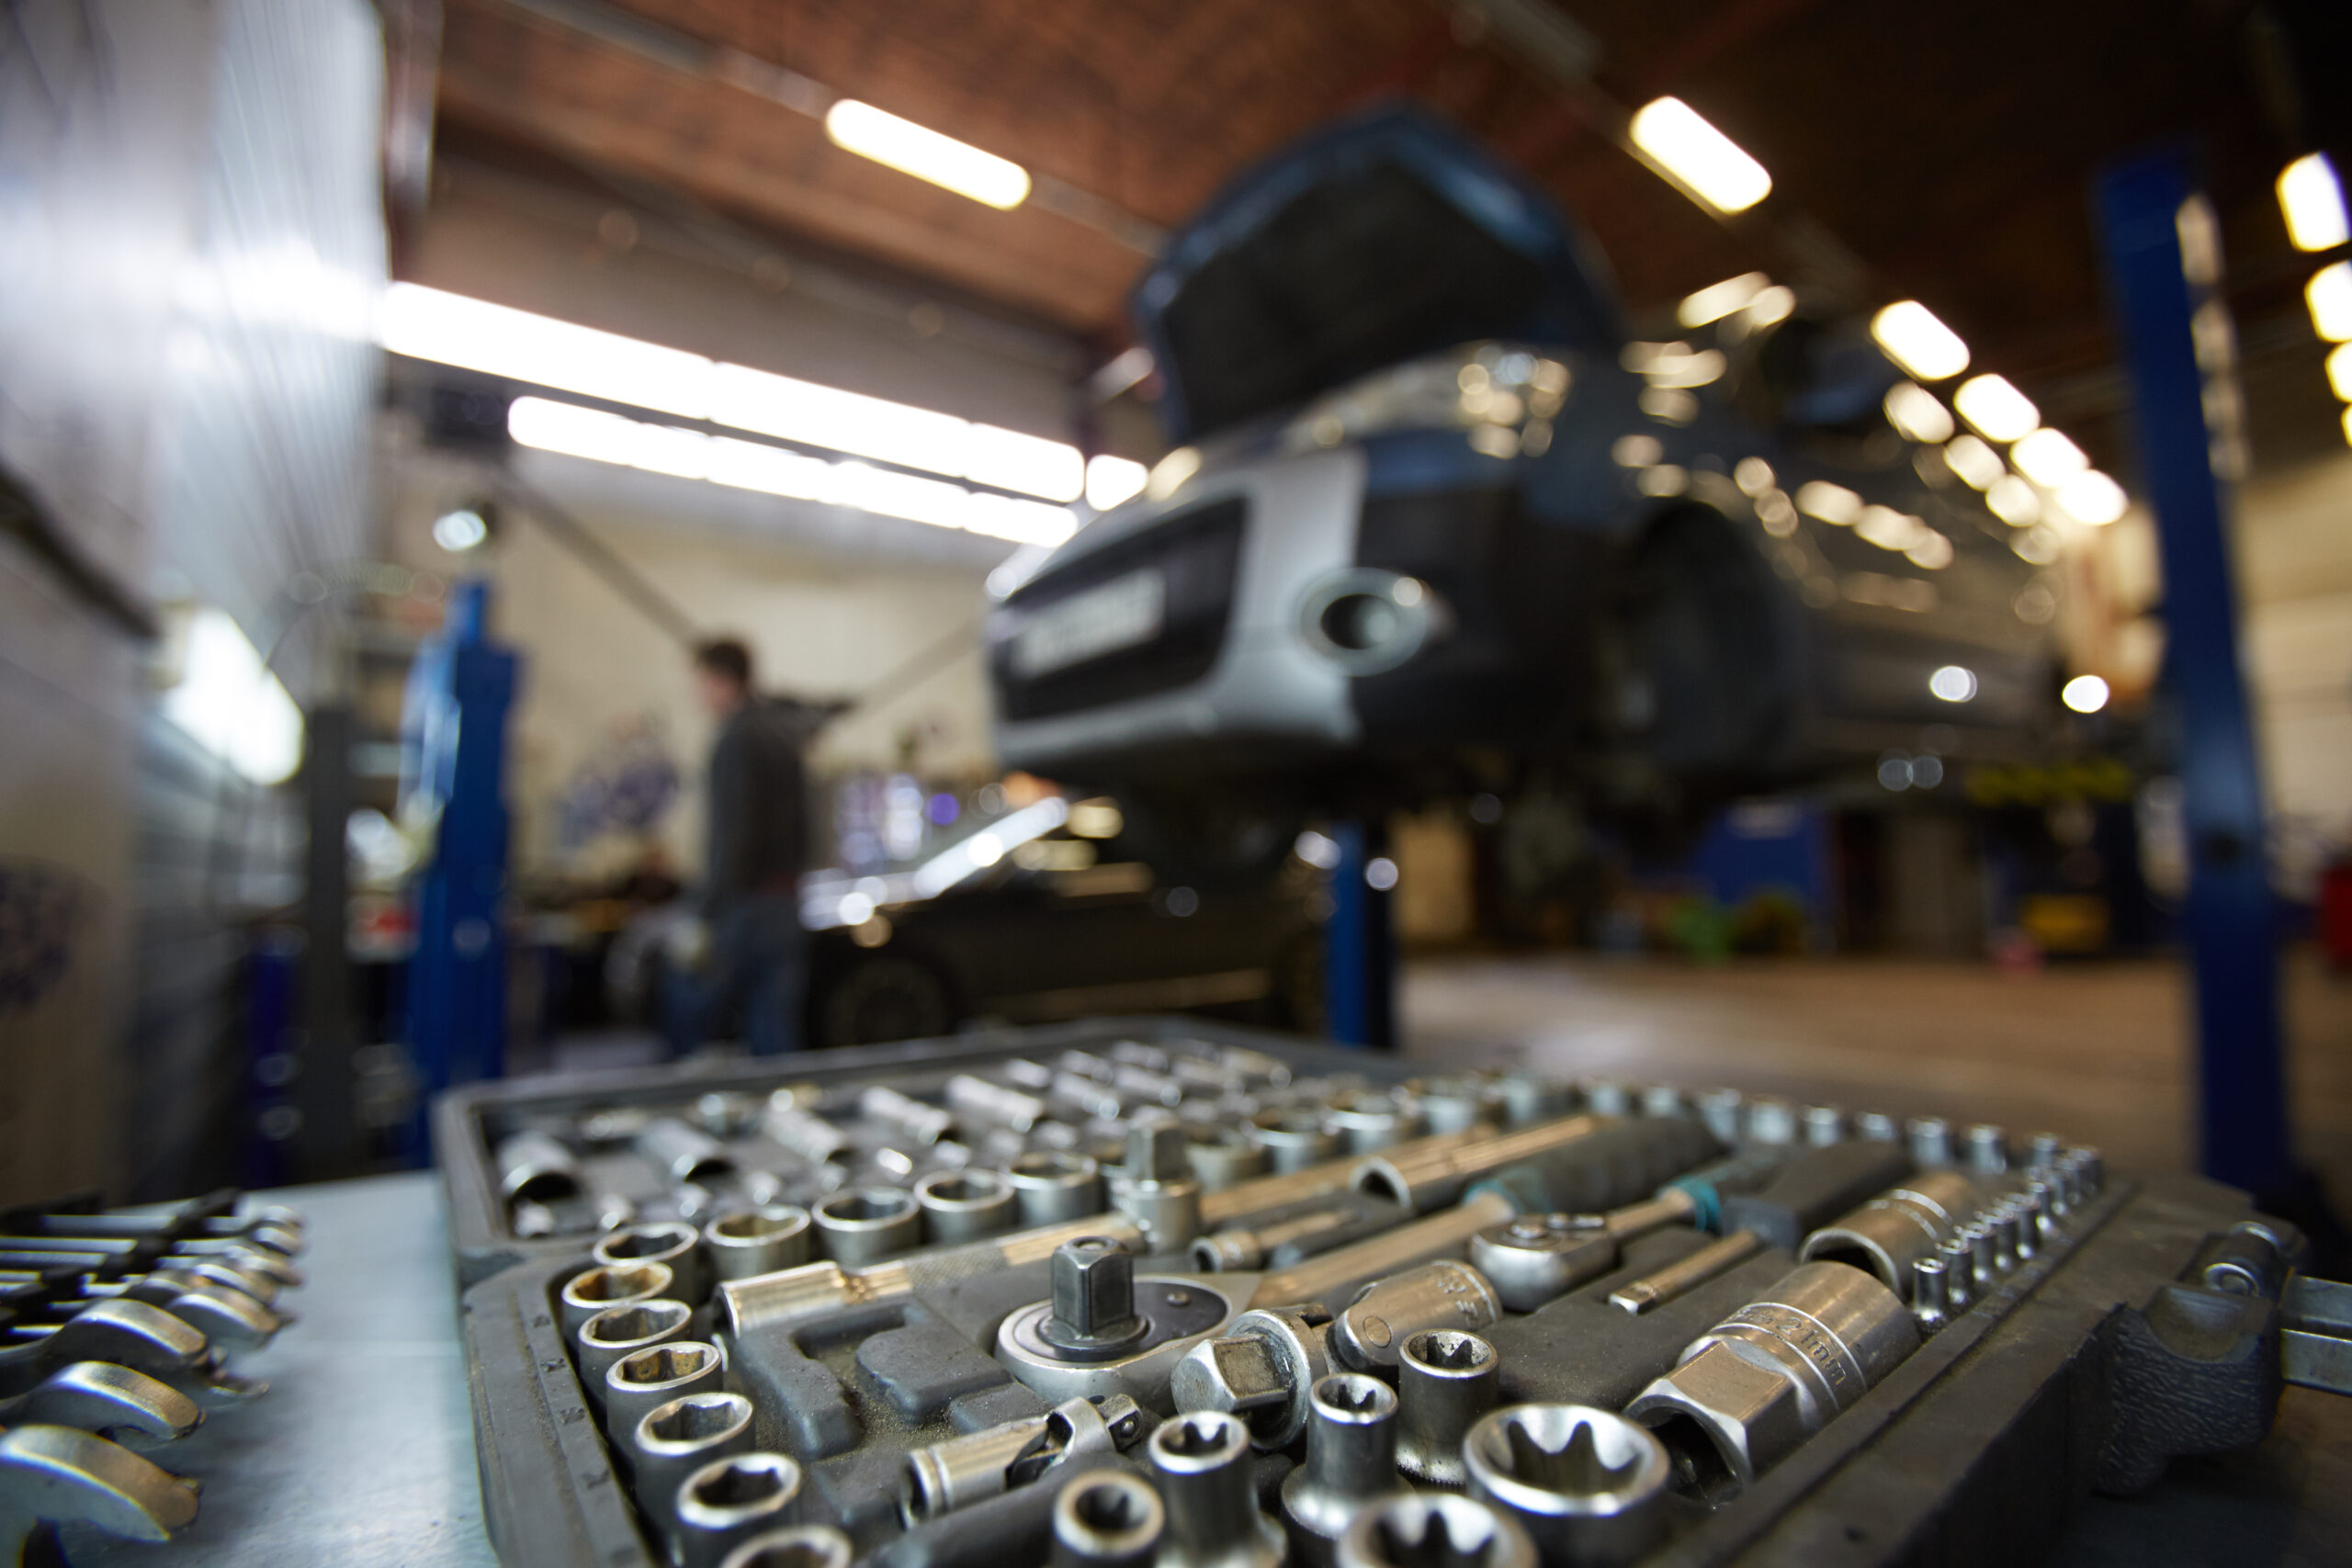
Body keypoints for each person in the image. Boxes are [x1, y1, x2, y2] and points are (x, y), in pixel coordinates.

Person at [665, 637, 815, 1056]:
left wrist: (705, 909)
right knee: (774, 1027)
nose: (696, 695)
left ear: (722, 681)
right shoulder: (785, 734)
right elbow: (808, 826)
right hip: (785, 903)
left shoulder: (736, 739)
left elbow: (735, 835)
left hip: (745, 906)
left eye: (700, 682)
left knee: (692, 1012)